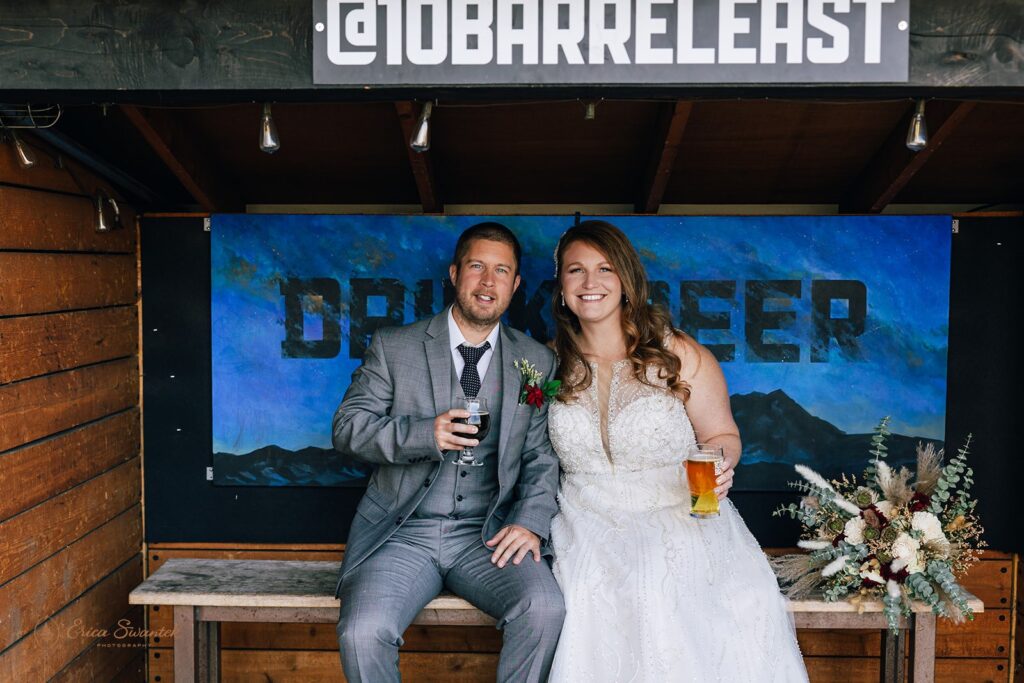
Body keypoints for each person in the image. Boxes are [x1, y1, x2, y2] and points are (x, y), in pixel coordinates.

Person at [546, 221, 808, 682]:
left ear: (627, 279)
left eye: (605, 268)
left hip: (678, 510)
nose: (591, 283)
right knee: (584, 588)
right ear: (561, 285)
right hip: (581, 518)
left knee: (658, 581)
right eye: (576, 270)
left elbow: (723, 436)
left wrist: (721, 465)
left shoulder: (679, 353)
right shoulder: (546, 363)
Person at [332, 222, 565, 683]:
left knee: (545, 609)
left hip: (488, 535)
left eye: (502, 271)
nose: (487, 281)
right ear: (455, 273)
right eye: (477, 266)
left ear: (516, 285)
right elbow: (347, 429)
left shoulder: (538, 361)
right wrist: (424, 435)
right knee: (362, 632)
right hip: (402, 533)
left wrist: (530, 521)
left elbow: (543, 456)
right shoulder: (394, 346)